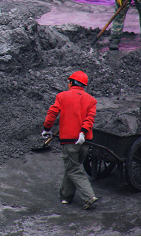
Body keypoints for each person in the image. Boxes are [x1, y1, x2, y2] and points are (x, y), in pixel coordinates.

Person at [42, 71, 99, 210]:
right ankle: (66, 196)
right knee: (73, 166)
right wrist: (83, 133)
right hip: (84, 142)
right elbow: (89, 119)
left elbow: (52, 113)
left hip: (70, 141)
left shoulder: (62, 96)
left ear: (72, 83)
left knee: (74, 169)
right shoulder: (91, 100)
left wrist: (46, 128)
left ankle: (89, 196)